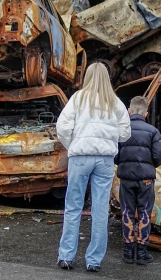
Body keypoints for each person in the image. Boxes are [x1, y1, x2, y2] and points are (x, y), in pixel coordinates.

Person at [56, 63, 131, 272]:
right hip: (105, 160)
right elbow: (125, 133)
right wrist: (110, 139)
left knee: (73, 206)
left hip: (80, 157)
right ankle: (94, 260)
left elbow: (62, 127)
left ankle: (66, 256)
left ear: (87, 77)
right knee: (100, 210)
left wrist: (73, 145)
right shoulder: (114, 102)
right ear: (107, 77)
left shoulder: (78, 99)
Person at [115, 96, 161, 265]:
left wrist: (122, 163)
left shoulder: (122, 131)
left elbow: (115, 154)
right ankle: (143, 253)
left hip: (126, 179)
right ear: (145, 113)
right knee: (144, 213)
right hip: (145, 179)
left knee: (127, 213)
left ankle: (128, 252)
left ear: (129, 111)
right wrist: (150, 166)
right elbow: (160, 154)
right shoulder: (153, 131)